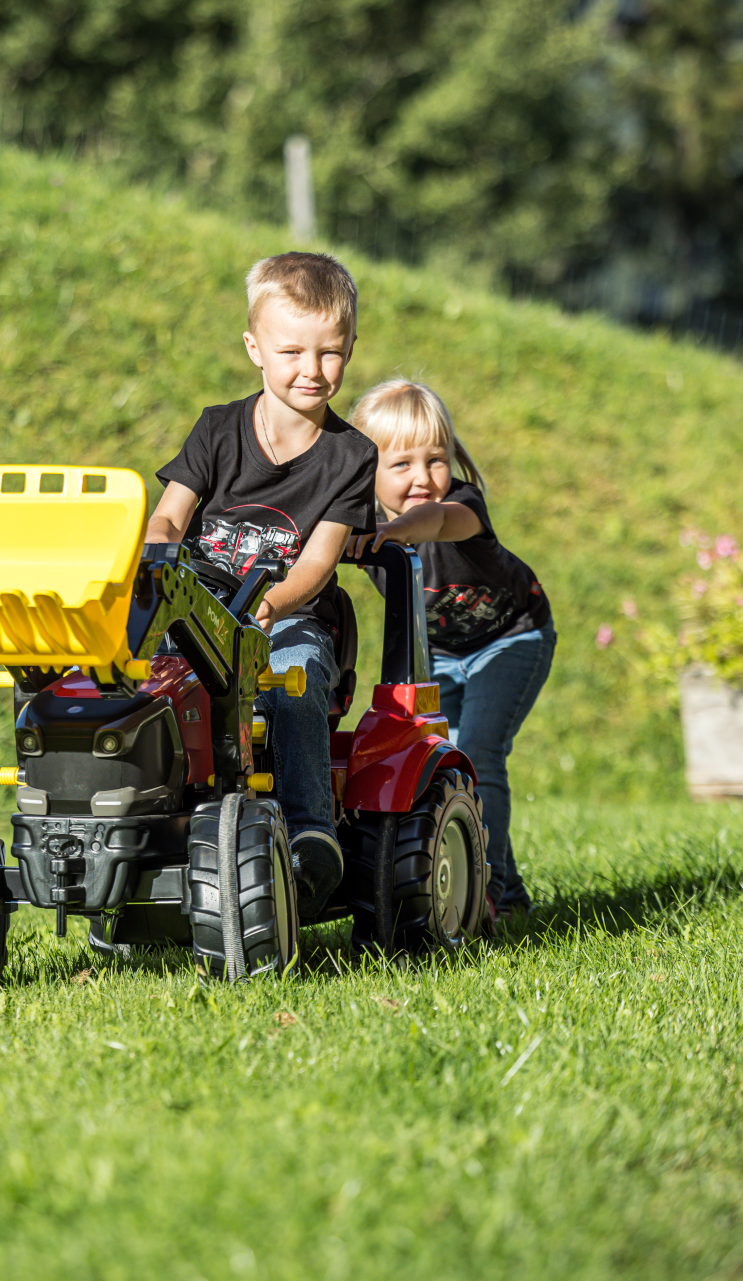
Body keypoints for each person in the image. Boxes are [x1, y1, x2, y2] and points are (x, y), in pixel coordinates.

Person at [144, 252, 378, 919]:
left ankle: (310, 830)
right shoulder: (217, 428)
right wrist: (159, 552)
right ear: (255, 348)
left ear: (351, 348)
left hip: (289, 613)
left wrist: (269, 606)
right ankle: (151, 819)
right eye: (292, 350)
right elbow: (171, 512)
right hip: (197, 607)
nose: (312, 369)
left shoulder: (350, 456)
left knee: (296, 679)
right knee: (135, 680)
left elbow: (317, 561)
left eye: (330, 352)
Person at [347, 379, 555, 925]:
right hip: (439, 651)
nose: (423, 477)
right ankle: (493, 881)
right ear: (366, 472)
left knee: (481, 752)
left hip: (511, 639)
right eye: (402, 465)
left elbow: (434, 522)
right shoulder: (354, 523)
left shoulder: (461, 504)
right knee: (450, 767)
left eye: (435, 459)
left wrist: (393, 531)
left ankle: (500, 897)